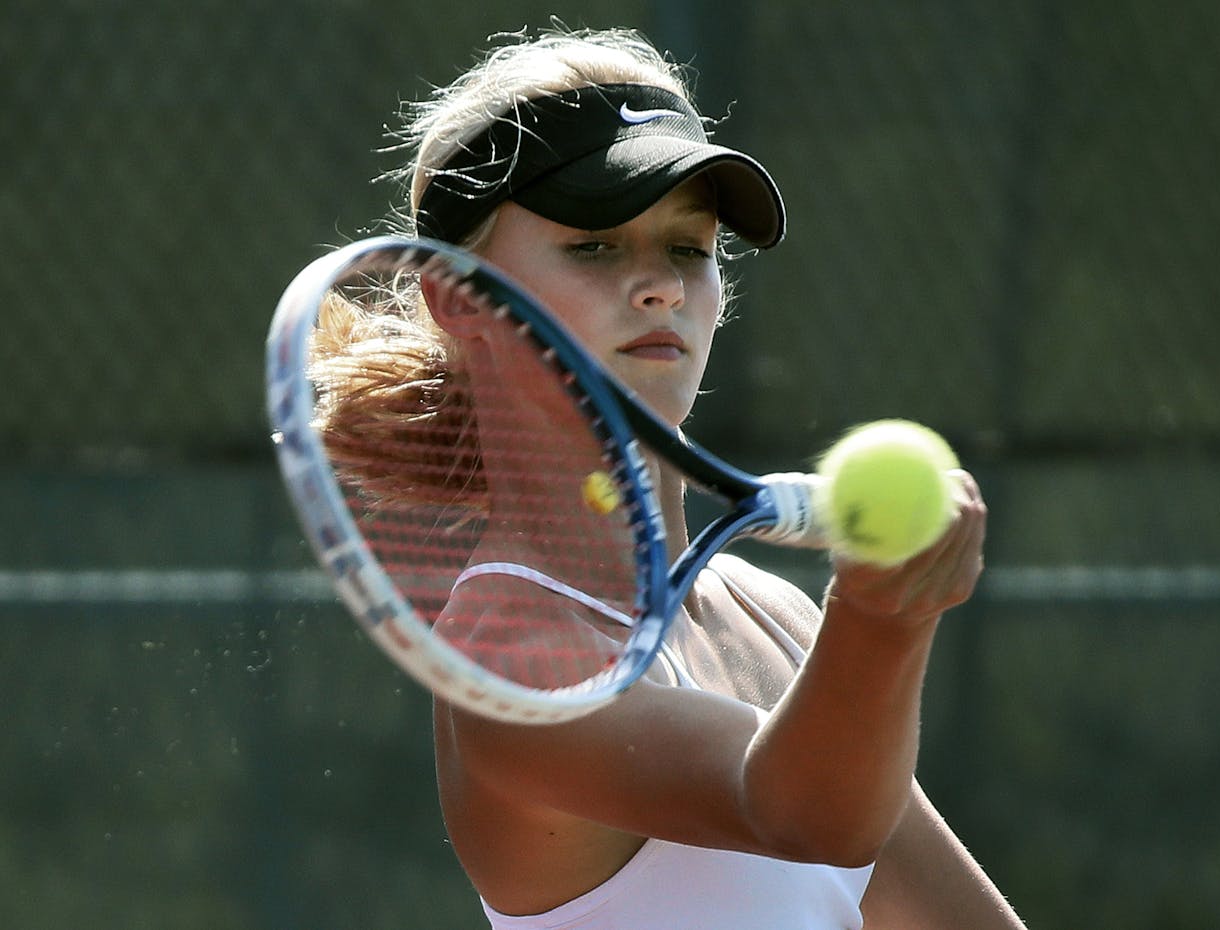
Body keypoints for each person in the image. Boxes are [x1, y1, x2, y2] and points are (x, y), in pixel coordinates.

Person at [327, 24, 1026, 930]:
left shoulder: (770, 613)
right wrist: (884, 619)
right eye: (595, 246)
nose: (660, 286)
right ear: (459, 299)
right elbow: (804, 814)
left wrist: (871, 622)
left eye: (688, 248)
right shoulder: (506, 653)